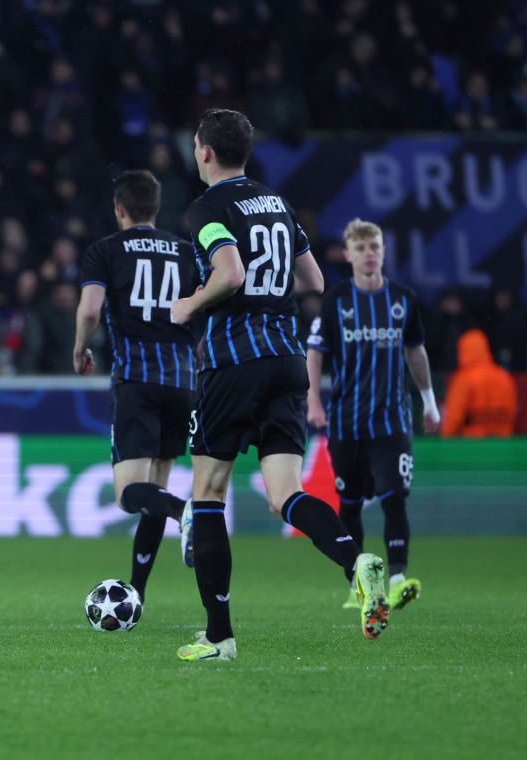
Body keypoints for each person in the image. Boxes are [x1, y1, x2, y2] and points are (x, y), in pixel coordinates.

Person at [170, 109, 389, 662]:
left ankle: (219, 638)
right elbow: (314, 279)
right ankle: (356, 562)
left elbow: (230, 272)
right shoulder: (276, 203)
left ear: (204, 151)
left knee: (208, 494)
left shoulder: (206, 209)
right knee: (285, 495)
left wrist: (190, 304)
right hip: (286, 359)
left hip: (233, 362)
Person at [72, 169, 200, 607]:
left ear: (119, 208)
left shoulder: (105, 250)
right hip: (181, 381)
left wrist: (80, 348)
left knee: (130, 494)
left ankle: (185, 510)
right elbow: (204, 308)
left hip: (137, 379)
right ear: (156, 207)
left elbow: (91, 311)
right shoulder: (186, 252)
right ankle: (137, 592)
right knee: (154, 493)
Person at [306, 218, 440, 612]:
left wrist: (429, 401)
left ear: (383, 251)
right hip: (346, 422)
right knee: (349, 502)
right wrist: (313, 401)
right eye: (361, 248)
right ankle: (358, 584)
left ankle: (397, 580)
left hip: (391, 419)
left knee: (394, 497)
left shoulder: (403, 299)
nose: (369, 254)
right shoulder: (335, 301)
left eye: (375, 247)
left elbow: (415, 351)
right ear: (348, 255)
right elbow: (315, 352)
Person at [440, 329, 519, 437]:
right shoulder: (504, 377)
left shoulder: (464, 379)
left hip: (472, 442)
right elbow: (513, 412)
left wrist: (446, 438)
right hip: (502, 441)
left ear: (463, 351)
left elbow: (453, 417)